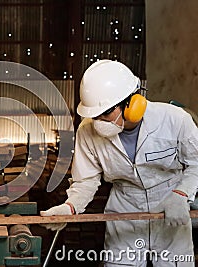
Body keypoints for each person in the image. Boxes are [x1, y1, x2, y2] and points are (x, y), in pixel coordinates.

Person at [41, 59, 198, 266]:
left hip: (170, 207)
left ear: (132, 103)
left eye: (105, 113)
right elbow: (85, 181)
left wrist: (182, 194)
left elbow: (195, 163)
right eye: (95, 116)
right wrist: (70, 207)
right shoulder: (87, 132)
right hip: (125, 211)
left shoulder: (175, 120)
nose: (99, 123)